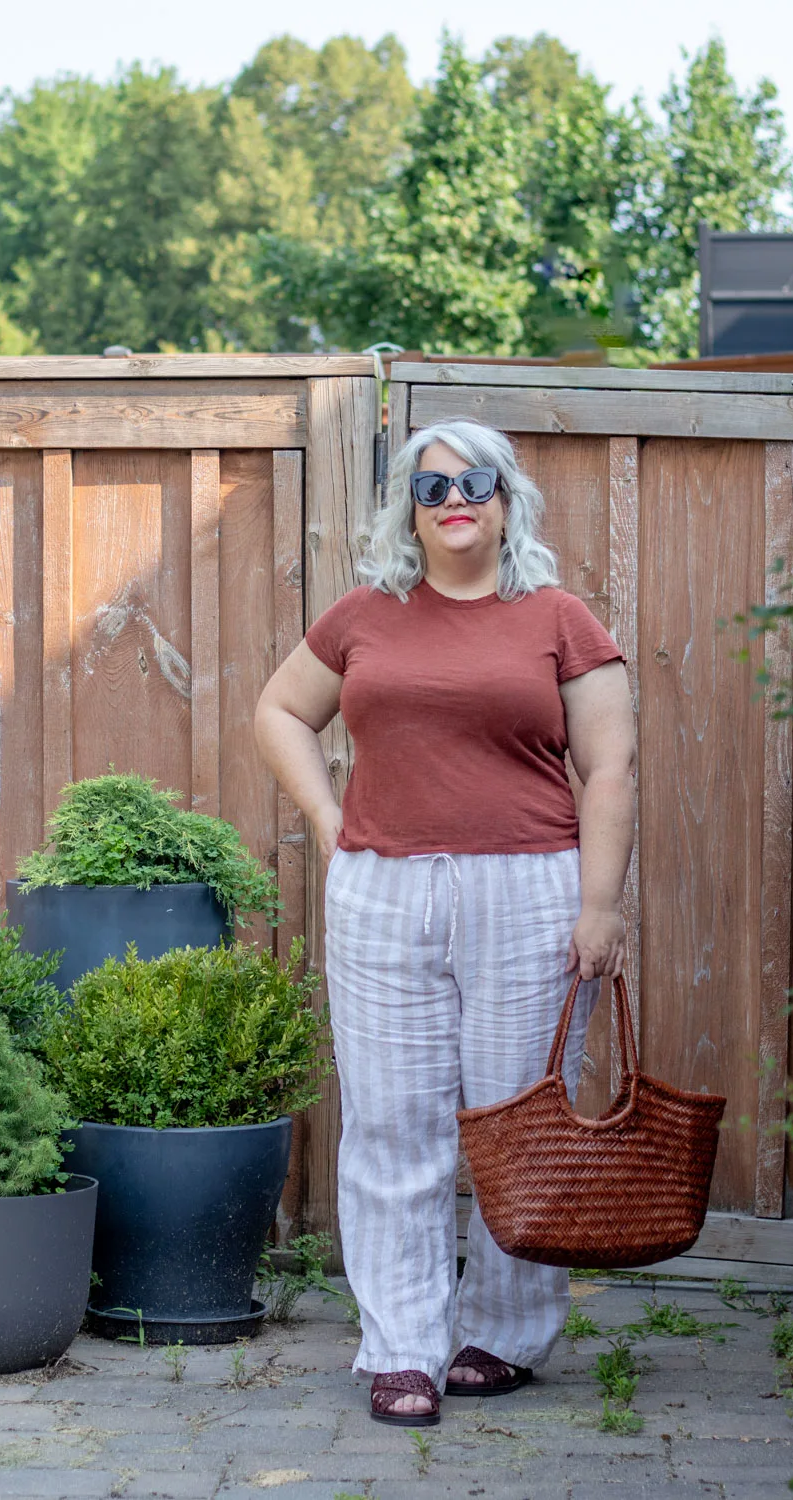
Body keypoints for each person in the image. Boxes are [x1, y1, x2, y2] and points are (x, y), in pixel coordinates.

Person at [254, 418, 636, 1427]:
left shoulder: (556, 617)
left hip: (532, 890)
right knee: (389, 1125)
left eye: (472, 481)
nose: (453, 499)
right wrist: (332, 822)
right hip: (383, 891)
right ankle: (402, 1348)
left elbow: (608, 770)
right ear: (408, 512)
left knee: (515, 1122)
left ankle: (502, 1339)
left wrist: (599, 907)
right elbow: (280, 711)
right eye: (431, 489)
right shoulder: (365, 613)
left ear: (505, 497)